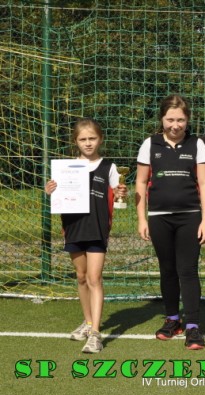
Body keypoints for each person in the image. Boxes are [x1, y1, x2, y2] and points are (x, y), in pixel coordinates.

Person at [44, 118, 127, 353]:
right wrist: (50, 191)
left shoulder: (109, 167)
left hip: (97, 230)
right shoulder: (66, 168)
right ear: (76, 142)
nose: (88, 143)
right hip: (73, 228)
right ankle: (88, 322)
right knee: (81, 277)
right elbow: (57, 196)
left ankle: (95, 334)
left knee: (94, 278)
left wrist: (121, 192)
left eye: (92, 138)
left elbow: (118, 196)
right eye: (83, 139)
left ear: (100, 139)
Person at [135, 94, 205, 350]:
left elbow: (204, 183)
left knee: (187, 270)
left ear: (187, 120)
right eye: (170, 120)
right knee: (167, 270)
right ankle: (172, 320)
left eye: (180, 120)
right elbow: (141, 182)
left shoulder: (197, 144)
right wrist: (141, 218)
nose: (175, 125)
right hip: (159, 218)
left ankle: (193, 327)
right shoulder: (150, 144)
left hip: (190, 217)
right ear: (162, 119)